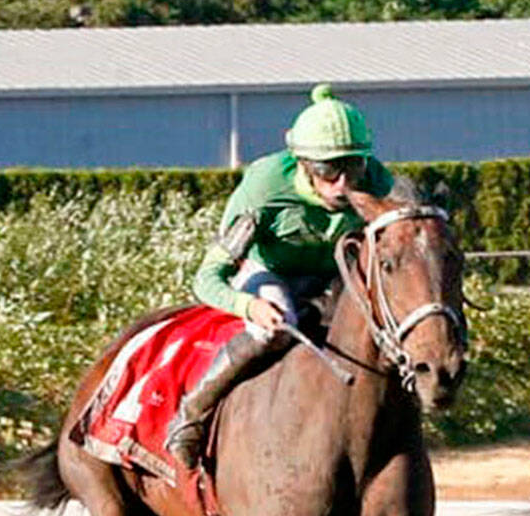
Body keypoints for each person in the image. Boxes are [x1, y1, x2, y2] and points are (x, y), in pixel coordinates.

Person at [163, 83, 395, 468]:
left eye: (353, 166)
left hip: (334, 277)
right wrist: (249, 306)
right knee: (277, 328)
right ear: (303, 162)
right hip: (269, 273)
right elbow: (207, 278)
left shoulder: (376, 181)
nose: (343, 184)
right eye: (328, 169)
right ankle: (190, 416)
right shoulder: (264, 188)